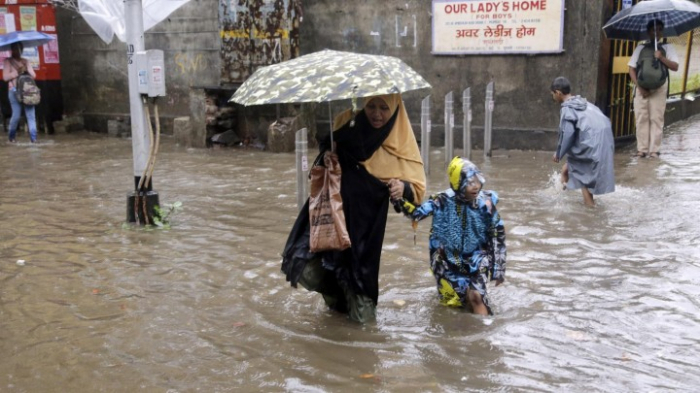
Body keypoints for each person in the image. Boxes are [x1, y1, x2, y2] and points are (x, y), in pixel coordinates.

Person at [281, 93, 426, 323]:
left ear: (395, 109)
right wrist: (327, 154)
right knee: (307, 265)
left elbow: (416, 193)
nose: (377, 114)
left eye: (383, 108)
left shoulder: (401, 143)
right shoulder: (346, 123)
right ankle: (336, 315)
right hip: (331, 216)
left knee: (361, 301)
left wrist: (401, 188)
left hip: (365, 228)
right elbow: (327, 149)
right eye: (371, 106)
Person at [398, 156, 505, 315]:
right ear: (458, 184)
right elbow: (416, 214)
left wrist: (498, 269)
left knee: (476, 297)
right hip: (446, 261)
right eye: (470, 183)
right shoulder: (441, 201)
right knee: (453, 306)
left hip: (477, 258)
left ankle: (484, 334)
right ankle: (459, 334)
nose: (476, 186)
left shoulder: (486, 203)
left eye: (477, 181)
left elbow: (498, 234)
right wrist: (398, 198)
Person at [550, 76, 615, 207]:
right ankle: (559, 193)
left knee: (582, 178)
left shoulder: (567, 109)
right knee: (567, 168)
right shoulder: (584, 103)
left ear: (558, 93)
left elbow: (567, 134)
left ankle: (590, 210)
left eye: (552, 94)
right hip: (604, 141)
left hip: (590, 145)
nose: (553, 97)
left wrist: (559, 153)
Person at [628, 19, 679, 158]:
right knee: (641, 118)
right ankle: (642, 149)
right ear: (648, 32)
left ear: (662, 31)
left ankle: (654, 150)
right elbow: (631, 69)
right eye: (653, 30)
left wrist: (661, 57)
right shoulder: (640, 48)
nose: (657, 33)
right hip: (641, 89)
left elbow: (675, 67)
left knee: (656, 118)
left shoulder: (668, 48)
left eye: (660, 30)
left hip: (660, 88)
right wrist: (639, 87)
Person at [2, 42, 38, 143]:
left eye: (18, 49)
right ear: (11, 50)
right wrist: (17, 72)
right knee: (16, 115)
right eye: (14, 49)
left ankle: (33, 139)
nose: (17, 51)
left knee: (31, 116)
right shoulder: (7, 61)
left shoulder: (26, 61)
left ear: (21, 49)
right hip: (14, 91)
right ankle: (11, 137)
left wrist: (26, 69)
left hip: (27, 91)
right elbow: (5, 77)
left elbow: (33, 75)